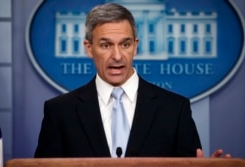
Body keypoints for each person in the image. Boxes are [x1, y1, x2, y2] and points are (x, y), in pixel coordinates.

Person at [34, 3, 230, 158]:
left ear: (135, 46)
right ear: (89, 48)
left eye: (125, 44)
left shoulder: (175, 108)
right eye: (105, 45)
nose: (117, 56)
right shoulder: (60, 112)